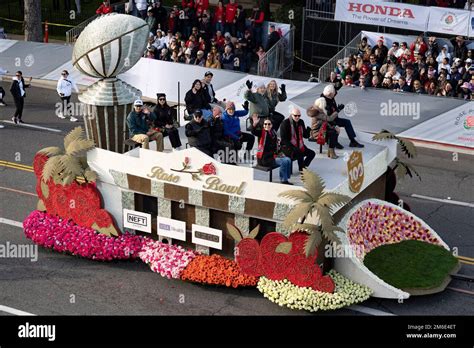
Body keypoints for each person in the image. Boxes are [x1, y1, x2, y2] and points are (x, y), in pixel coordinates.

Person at [252, 116, 293, 184]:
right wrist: (254, 124)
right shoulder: (262, 133)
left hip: (272, 156)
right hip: (265, 159)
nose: (267, 126)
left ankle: (286, 178)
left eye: (269, 124)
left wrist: (279, 153)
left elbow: (276, 146)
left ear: (271, 125)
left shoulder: (273, 133)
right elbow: (254, 132)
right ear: (263, 125)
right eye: (265, 124)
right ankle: (283, 180)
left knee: (288, 159)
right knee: (285, 161)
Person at [321, 84, 364, 149]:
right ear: (329, 94)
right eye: (334, 93)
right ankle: (334, 141)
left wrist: (342, 83)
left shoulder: (329, 95)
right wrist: (338, 110)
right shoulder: (323, 102)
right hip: (328, 122)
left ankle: (352, 141)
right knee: (335, 126)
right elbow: (329, 117)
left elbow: (336, 88)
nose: (335, 94)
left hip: (335, 119)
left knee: (347, 122)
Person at [280, 107, 315, 172]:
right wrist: (293, 148)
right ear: (291, 115)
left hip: (299, 145)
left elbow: (305, 136)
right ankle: (302, 171)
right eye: (295, 115)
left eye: (299, 116)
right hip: (287, 147)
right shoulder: (285, 123)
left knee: (312, 153)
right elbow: (284, 140)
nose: (297, 117)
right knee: (300, 153)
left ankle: (303, 167)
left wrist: (308, 131)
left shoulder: (301, 122)